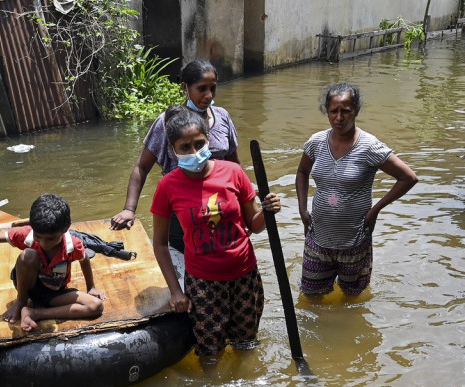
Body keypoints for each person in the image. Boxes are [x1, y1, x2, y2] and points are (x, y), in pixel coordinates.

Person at [150, 105, 281, 368]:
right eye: (184, 147)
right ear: (173, 150)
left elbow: (253, 226)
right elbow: (160, 245)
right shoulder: (167, 186)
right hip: (203, 284)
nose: (194, 152)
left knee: (246, 345)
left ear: (209, 139)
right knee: (210, 354)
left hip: (245, 276)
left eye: (199, 143)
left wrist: (268, 211)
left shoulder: (233, 173)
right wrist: (176, 292)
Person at [295, 82, 417, 297]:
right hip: (318, 238)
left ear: (356, 111)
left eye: (346, 111)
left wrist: (375, 210)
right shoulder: (316, 143)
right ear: (327, 112)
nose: (339, 118)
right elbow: (302, 172)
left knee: (352, 301)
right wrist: (302, 210)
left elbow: (408, 177)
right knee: (311, 297)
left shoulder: (369, 146)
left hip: (354, 240)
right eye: (334, 111)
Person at [110, 60, 240, 252]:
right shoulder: (167, 122)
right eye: (201, 88)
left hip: (221, 204)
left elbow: (234, 164)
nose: (209, 95)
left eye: (213, 88)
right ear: (185, 88)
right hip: (181, 212)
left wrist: (245, 201)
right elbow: (141, 167)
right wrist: (129, 209)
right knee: (184, 260)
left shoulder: (222, 117)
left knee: (224, 255)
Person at [0, 194, 105, 332]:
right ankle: (21, 302)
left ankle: (35, 313)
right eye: (39, 237)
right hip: (28, 286)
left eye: (50, 238)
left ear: (66, 228)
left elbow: (84, 260)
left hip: (54, 293)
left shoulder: (73, 244)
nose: (44, 243)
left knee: (96, 306)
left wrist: (91, 286)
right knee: (28, 255)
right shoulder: (26, 234)